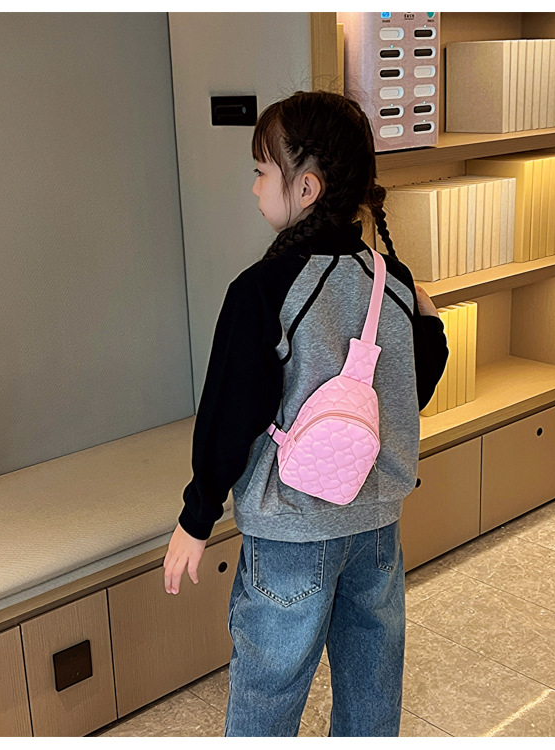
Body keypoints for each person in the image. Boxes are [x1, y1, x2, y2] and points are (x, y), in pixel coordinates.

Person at [163, 90, 448, 737]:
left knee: (269, 689)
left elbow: (229, 412)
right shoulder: (391, 280)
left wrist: (197, 516)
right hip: (376, 528)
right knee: (372, 680)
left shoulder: (263, 290)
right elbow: (410, 390)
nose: (255, 186)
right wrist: (429, 322)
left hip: (291, 532)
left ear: (308, 187)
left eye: (262, 171)